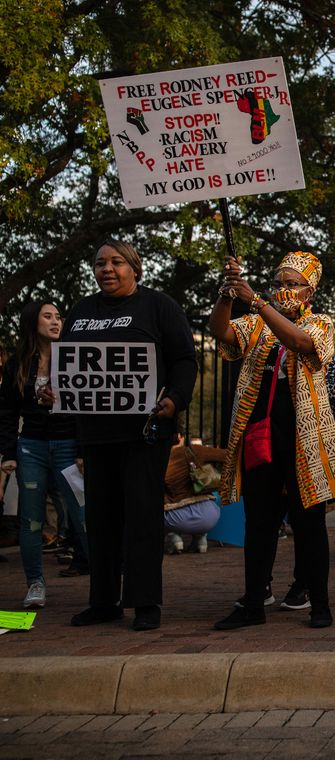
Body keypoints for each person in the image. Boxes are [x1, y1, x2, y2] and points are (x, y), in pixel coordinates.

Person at [210, 250, 335, 630]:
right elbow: (221, 333)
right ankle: (253, 602)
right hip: (261, 437)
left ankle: (319, 602)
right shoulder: (255, 325)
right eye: (278, 284)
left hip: (303, 439)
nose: (283, 290)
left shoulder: (320, 323)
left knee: (309, 522)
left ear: (309, 291)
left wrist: (256, 300)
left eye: (292, 284)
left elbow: (301, 343)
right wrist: (227, 294)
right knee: (258, 521)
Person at [62, 240, 197, 631]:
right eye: (100, 262)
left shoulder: (159, 306)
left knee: (141, 516)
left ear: (134, 268)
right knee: (100, 519)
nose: (108, 269)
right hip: (96, 433)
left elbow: (184, 360)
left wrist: (175, 399)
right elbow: (66, 366)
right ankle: (102, 601)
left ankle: (144, 602)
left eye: (117, 262)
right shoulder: (81, 311)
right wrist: (55, 388)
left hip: (144, 433)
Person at [0, 301, 90, 609]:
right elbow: (8, 411)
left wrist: (81, 450)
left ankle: (105, 579)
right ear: (32, 323)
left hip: (67, 446)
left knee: (83, 514)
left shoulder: (74, 358)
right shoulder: (17, 363)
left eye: (58, 317)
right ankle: (35, 583)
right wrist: (8, 453)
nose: (55, 321)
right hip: (31, 448)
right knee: (31, 521)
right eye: (47, 316)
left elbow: (86, 406)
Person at [163, 429, 226, 554]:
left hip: (177, 519)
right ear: (181, 436)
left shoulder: (160, 460)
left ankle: (173, 537)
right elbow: (228, 455)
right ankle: (200, 538)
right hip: (210, 515)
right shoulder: (195, 451)